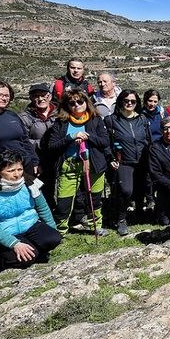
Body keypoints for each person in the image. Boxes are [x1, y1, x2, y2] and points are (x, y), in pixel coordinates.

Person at [0, 150, 62, 271]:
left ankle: (33, 251)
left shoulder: (29, 183)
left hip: (30, 225)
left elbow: (43, 208)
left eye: (20, 169)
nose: (17, 174)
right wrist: (14, 243)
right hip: (7, 232)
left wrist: (51, 229)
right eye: (11, 171)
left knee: (53, 238)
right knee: (25, 258)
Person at [46, 88, 110, 236]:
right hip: (69, 165)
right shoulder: (61, 123)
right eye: (72, 103)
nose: (76, 105)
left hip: (93, 164)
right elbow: (52, 145)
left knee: (94, 198)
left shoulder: (95, 120)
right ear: (67, 105)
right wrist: (71, 137)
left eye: (80, 101)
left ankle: (96, 225)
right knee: (64, 200)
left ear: (86, 103)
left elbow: (105, 141)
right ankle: (61, 230)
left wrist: (89, 137)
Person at [104, 89, 152, 235]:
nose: (129, 103)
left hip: (142, 159)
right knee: (126, 190)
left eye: (133, 101)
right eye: (126, 101)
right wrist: (110, 158)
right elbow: (106, 143)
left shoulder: (142, 119)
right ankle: (121, 219)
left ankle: (139, 212)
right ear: (120, 101)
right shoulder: (111, 120)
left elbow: (148, 139)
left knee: (141, 188)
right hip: (123, 161)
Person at [18, 83, 58, 209]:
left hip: (58, 158)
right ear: (31, 98)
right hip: (38, 159)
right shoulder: (24, 118)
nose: (40, 99)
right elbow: (23, 141)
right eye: (36, 96)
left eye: (43, 95)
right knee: (42, 190)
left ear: (50, 96)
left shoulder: (60, 113)